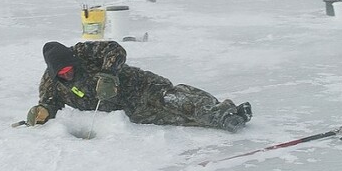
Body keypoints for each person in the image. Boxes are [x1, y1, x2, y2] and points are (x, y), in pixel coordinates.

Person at [25, 40, 253, 132]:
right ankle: (219, 122)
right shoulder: (51, 82)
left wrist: (108, 75)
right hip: (128, 109)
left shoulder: (83, 52)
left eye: (69, 68)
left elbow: (114, 49)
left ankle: (224, 113)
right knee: (173, 118)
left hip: (141, 86)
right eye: (62, 73)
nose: (68, 73)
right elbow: (49, 102)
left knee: (176, 101)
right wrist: (43, 111)